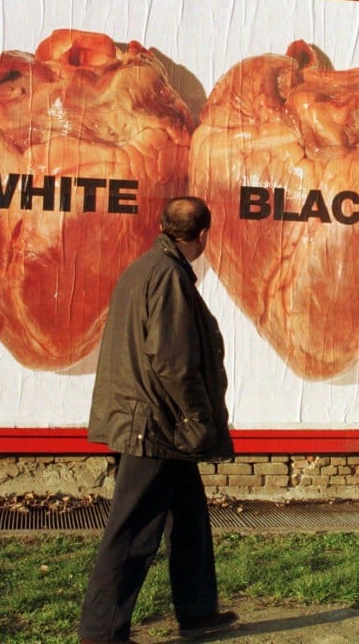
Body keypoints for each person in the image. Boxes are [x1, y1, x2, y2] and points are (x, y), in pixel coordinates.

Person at [78, 197, 237, 644]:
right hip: (156, 425)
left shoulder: (143, 269)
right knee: (133, 530)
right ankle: (101, 632)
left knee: (190, 519)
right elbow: (173, 361)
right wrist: (196, 417)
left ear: (164, 226)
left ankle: (198, 612)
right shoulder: (167, 275)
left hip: (154, 421)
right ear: (202, 235)